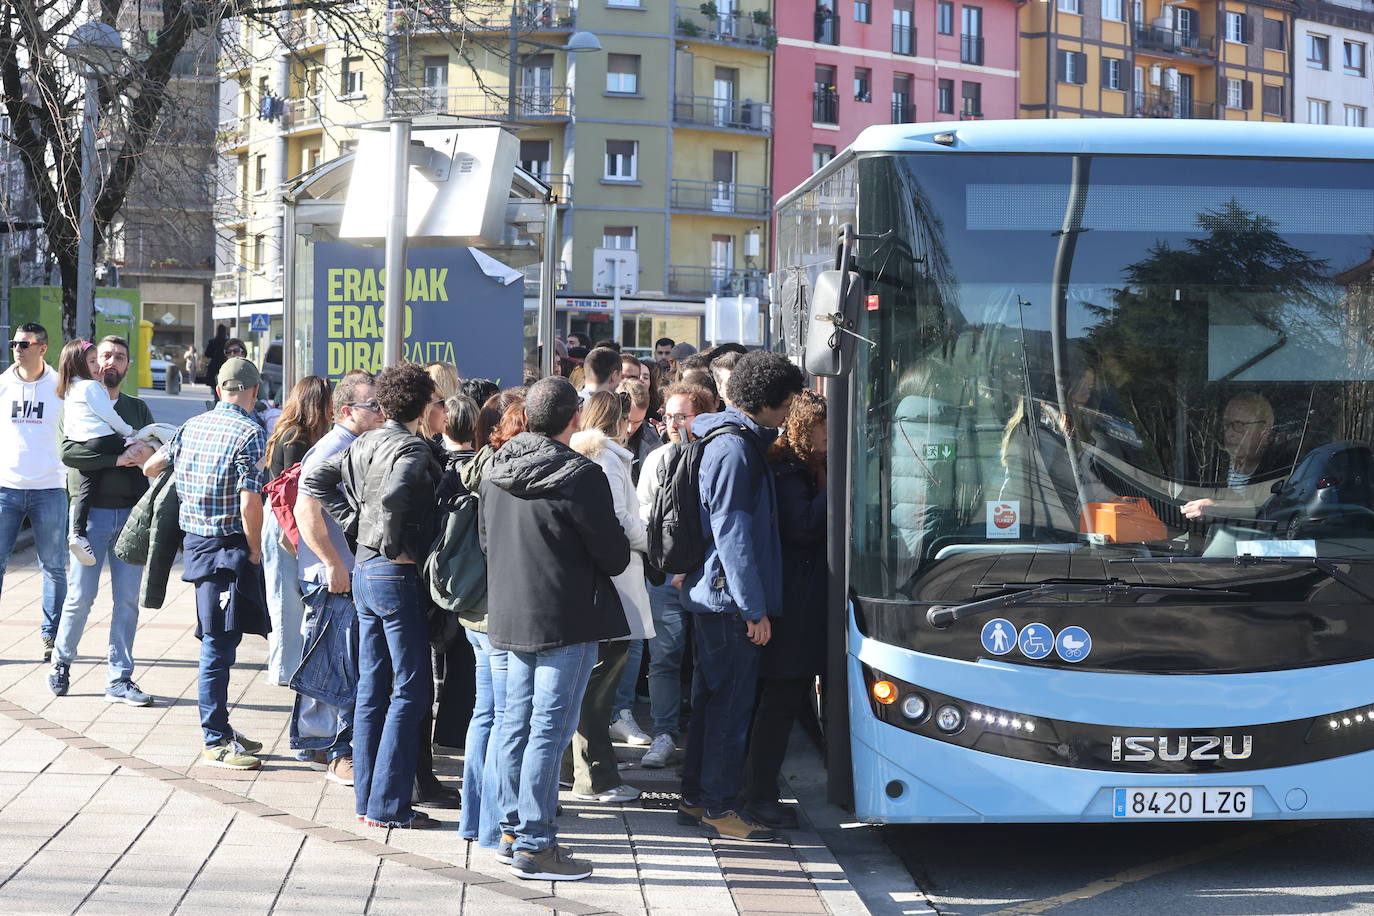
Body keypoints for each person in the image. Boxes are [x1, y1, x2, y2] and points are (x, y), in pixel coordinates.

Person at [479, 377, 631, 881]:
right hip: (564, 615)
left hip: (507, 611)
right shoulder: (582, 474)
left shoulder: (494, 462)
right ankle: (536, 843)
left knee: (515, 725)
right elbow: (611, 555)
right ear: (574, 421)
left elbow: (486, 541)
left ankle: (509, 830)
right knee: (547, 730)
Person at [307, 363, 445, 828]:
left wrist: (355, 526)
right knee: (409, 689)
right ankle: (387, 805)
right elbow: (393, 494)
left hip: (367, 570)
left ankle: (370, 802)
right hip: (391, 572)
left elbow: (316, 479)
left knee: (373, 687)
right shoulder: (410, 447)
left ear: (384, 403)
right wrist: (383, 535)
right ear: (425, 405)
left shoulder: (364, 441)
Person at [679, 351, 803, 842]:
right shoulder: (734, 449)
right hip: (729, 602)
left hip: (716, 597)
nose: (792, 410)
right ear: (772, 402)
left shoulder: (731, 439)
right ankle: (720, 806)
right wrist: (755, 608)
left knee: (712, 702)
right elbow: (732, 532)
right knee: (730, 707)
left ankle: (696, 796)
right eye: (790, 400)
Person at [145, 357, 270, 769]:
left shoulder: (191, 427)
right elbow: (250, 501)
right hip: (228, 547)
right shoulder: (251, 432)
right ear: (253, 392)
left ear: (219, 390)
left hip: (197, 542)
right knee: (218, 645)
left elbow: (151, 465)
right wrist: (253, 549)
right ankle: (214, 738)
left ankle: (223, 728)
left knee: (225, 639)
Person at [48, 336, 157, 704]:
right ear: (93, 363)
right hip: (90, 516)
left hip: (131, 517)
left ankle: (120, 677)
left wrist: (143, 454)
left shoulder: (137, 408)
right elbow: (70, 454)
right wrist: (117, 459)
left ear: (127, 366)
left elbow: (153, 453)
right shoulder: (75, 400)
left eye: (119, 357)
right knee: (80, 597)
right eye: (104, 356)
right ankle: (61, 661)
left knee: (126, 601)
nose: (110, 362)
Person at [741, 390, 828, 830]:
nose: (830, 435)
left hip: (795, 602)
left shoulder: (796, 468)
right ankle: (759, 794)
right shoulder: (789, 472)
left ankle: (760, 790)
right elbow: (805, 527)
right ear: (803, 428)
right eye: (823, 427)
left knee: (782, 701)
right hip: (790, 606)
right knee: (778, 701)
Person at [292, 370, 383, 787]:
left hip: (339, 571)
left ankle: (318, 743)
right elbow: (304, 511)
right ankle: (336, 753)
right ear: (348, 411)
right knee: (341, 665)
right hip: (331, 574)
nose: (381, 412)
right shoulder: (334, 448)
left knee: (332, 662)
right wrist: (332, 562)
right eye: (373, 406)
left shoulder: (354, 444)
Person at [567, 392, 655, 803]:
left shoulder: (585, 454)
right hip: (616, 579)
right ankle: (596, 777)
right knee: (600, 683)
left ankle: (576, 770)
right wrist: (650, 540)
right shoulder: (610, 459)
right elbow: (621, 520)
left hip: (593, 581)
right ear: (617, 420)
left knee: (590, 680)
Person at [635, 382, 716, 769]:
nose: (671, 423)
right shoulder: (658, 458)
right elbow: (643, 513)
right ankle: (664, 733)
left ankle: (702, 736)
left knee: (706, 657)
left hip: (704, 575)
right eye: (667, 415)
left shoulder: (714, 455)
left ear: (701, 416)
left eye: (680, 416)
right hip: (665, 573)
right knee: (664, 656)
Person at [0, 322, 67, 662]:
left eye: (24, 344)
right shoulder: (3, 385)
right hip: (5, 490)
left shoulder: (60, 387)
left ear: (42, 348)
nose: (17, 349)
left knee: (54, 567)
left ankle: (51, 637)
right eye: (14, 343)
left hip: (50, 488)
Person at [262, 376, 333, 686]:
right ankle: (283, 671)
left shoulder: (291, 433)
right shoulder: (296, 439)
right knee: (284, 600)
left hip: (285, 519)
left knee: (288, 597)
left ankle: (289, 667)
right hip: (284, 521)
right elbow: (293, 491)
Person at [54, 340, 140, 566]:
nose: (99, 366)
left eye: (120, 357)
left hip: (84, 442)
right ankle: (148, 513)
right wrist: (130, 435)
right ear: (80, 365)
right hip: (102, 438)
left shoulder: (71, 389)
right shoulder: (91, 388)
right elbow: (109, 417)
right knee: (138, 464)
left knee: (85, 489)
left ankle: (77, 534)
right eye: (94, 361)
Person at [1182, 393, 1279, 520]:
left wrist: (1217, 507)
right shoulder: (1209, 463)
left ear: (1264, 430)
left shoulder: (1280, 467)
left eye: (1238, 425)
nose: (1229, 434)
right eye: (1226, 425)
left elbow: (1268, 508)